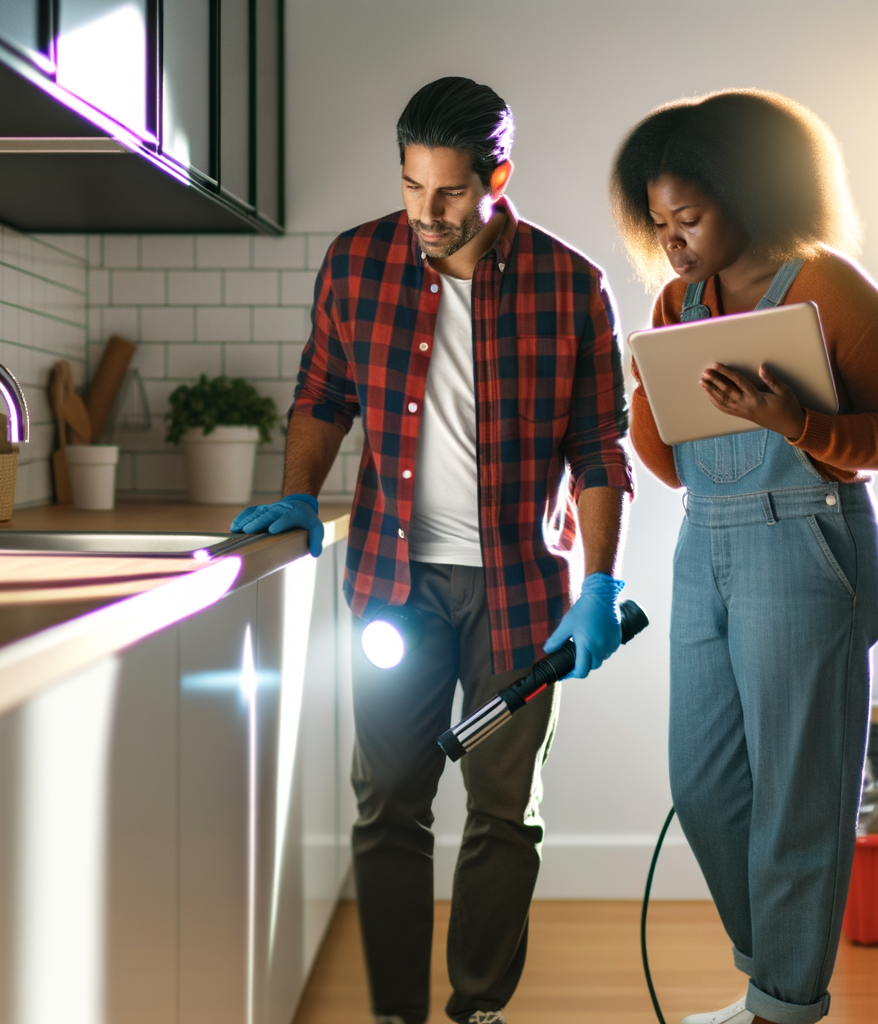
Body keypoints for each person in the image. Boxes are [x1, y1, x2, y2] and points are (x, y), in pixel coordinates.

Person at [231, 77, 633, 1024]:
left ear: (498, 177)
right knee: (390, 806)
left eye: (448, 192)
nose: (426, 212)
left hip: (525, 597)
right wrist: (296, 486)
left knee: (503, 813)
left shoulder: (571, 285)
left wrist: (604, 580)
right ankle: (396, 1012)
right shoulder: (358, 262)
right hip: (391, 585)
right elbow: (323, 395)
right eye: (412, 187)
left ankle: (478, 1009)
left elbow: (599, 447)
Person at [611, 90, 878, 1024]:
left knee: (799, 793)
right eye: (659, 223)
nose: (671, 242)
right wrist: (647, 387)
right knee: (704, 785)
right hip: (704, 540)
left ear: (752, 193)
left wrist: (793, 419)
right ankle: (772, 978)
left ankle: (782, 1006)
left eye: (690, 218)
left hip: (807, 539)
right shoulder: (682, 299)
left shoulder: (830, 289)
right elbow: (674, 468)